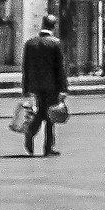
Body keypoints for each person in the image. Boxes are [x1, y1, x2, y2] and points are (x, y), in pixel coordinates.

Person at [19, 13, 68, 157]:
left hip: (35, 85)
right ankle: (46, 146)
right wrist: (63, 88)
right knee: (49, 115)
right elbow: (60, 67)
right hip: (51, 85)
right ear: (54, 26)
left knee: (42, 111)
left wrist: (26, 86)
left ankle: (33, 134)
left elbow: (25, 66)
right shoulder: (55, 43)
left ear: (42, 24)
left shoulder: (30, 43)